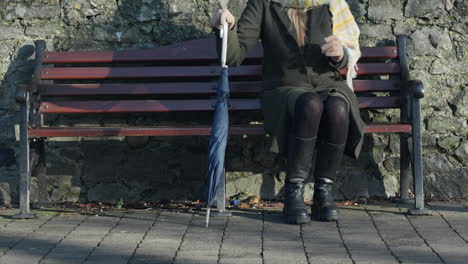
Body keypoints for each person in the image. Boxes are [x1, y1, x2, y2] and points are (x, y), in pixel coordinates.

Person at [212, 0, 365, 224]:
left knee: (339, 107)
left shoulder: (331, 3)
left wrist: (339, 55)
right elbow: (233, 56)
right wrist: (224, 27)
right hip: (283, 89)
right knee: (310, 103)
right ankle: (293, 193)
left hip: (327, 84)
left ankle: (324, 192)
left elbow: (345, 56)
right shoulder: (263, 5)